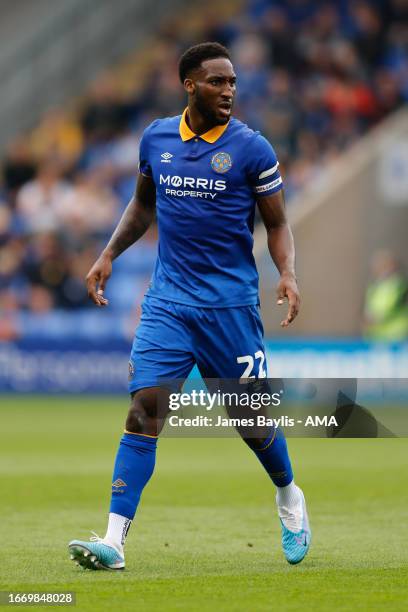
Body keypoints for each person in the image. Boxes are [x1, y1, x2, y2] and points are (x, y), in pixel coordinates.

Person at [68, 42, 311, 570]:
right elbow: (142, 203)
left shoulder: (252, 149)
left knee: (253, 424)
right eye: (217, 82)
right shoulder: (157, 137)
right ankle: (113, 542)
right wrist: (108, 254)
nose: (228, 91)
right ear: (189, 85)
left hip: (229, 308)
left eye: (232, 83)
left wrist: (287, 272)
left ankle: (290, 495)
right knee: (143, 414)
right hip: (169, 304)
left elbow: (277, 223)